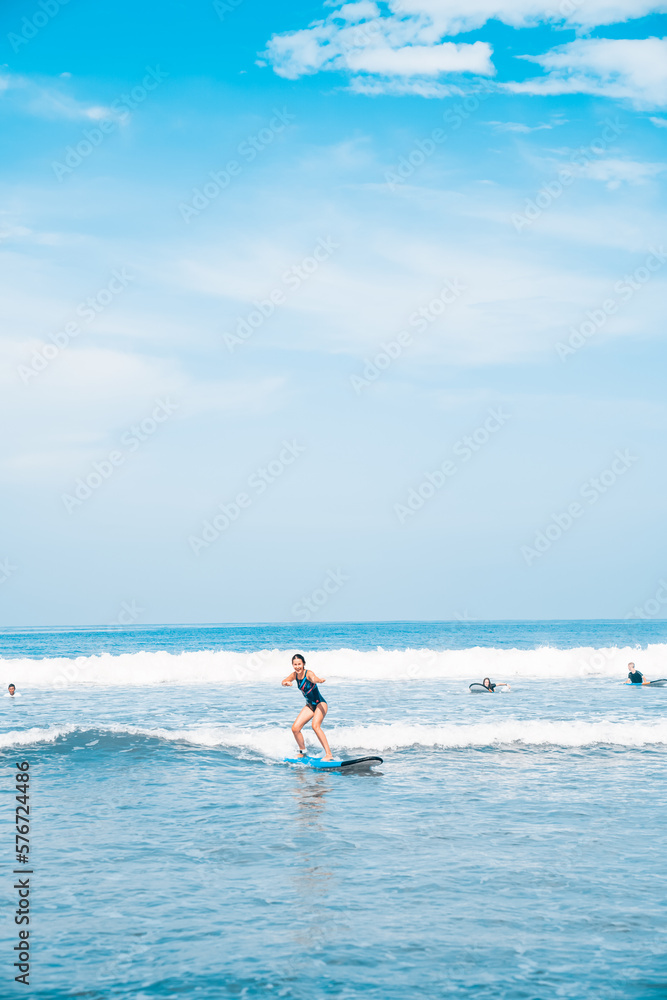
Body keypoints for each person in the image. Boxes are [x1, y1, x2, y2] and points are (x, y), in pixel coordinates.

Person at [282, 654, 333, 761]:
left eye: (299, 664)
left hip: (320, 704)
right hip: (309, 705)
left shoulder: (308, 673)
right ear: (292, 665)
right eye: (295, 664)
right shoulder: (294, 675)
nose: (297, 667)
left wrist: (319, 680)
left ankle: (329, 754)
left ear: (303, 664)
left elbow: (313, 678)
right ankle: (302, 752)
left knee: (315, 726)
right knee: (295, 728)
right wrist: (286, 683)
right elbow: (285, 680)